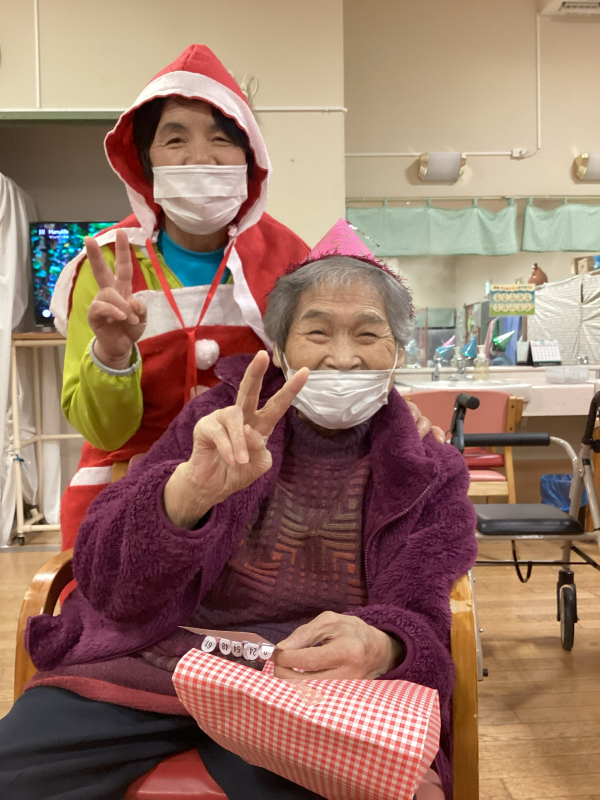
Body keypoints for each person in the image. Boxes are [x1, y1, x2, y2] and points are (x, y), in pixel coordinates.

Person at [0, 247, 477, 800]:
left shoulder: (429, 468)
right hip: (160, 659)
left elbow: (420, 611)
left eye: (369, 336)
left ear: (397, 351)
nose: (343, 359)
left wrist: (385, 644)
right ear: (277, 347)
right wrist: (184, 496)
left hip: (312, 688)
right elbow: (109, 581)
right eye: (317, 333)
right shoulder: (214, 421)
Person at [52, 45, 439, 553]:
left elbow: (330, 372)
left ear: (250, 157)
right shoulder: (104, 268)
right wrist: (113, 355)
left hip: (257, 498)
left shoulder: (290, 260)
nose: (200, 158)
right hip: (126, 497)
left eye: (221, 139)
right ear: (145, 160)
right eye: (175, 139)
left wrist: (394, 414)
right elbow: (104, 431)